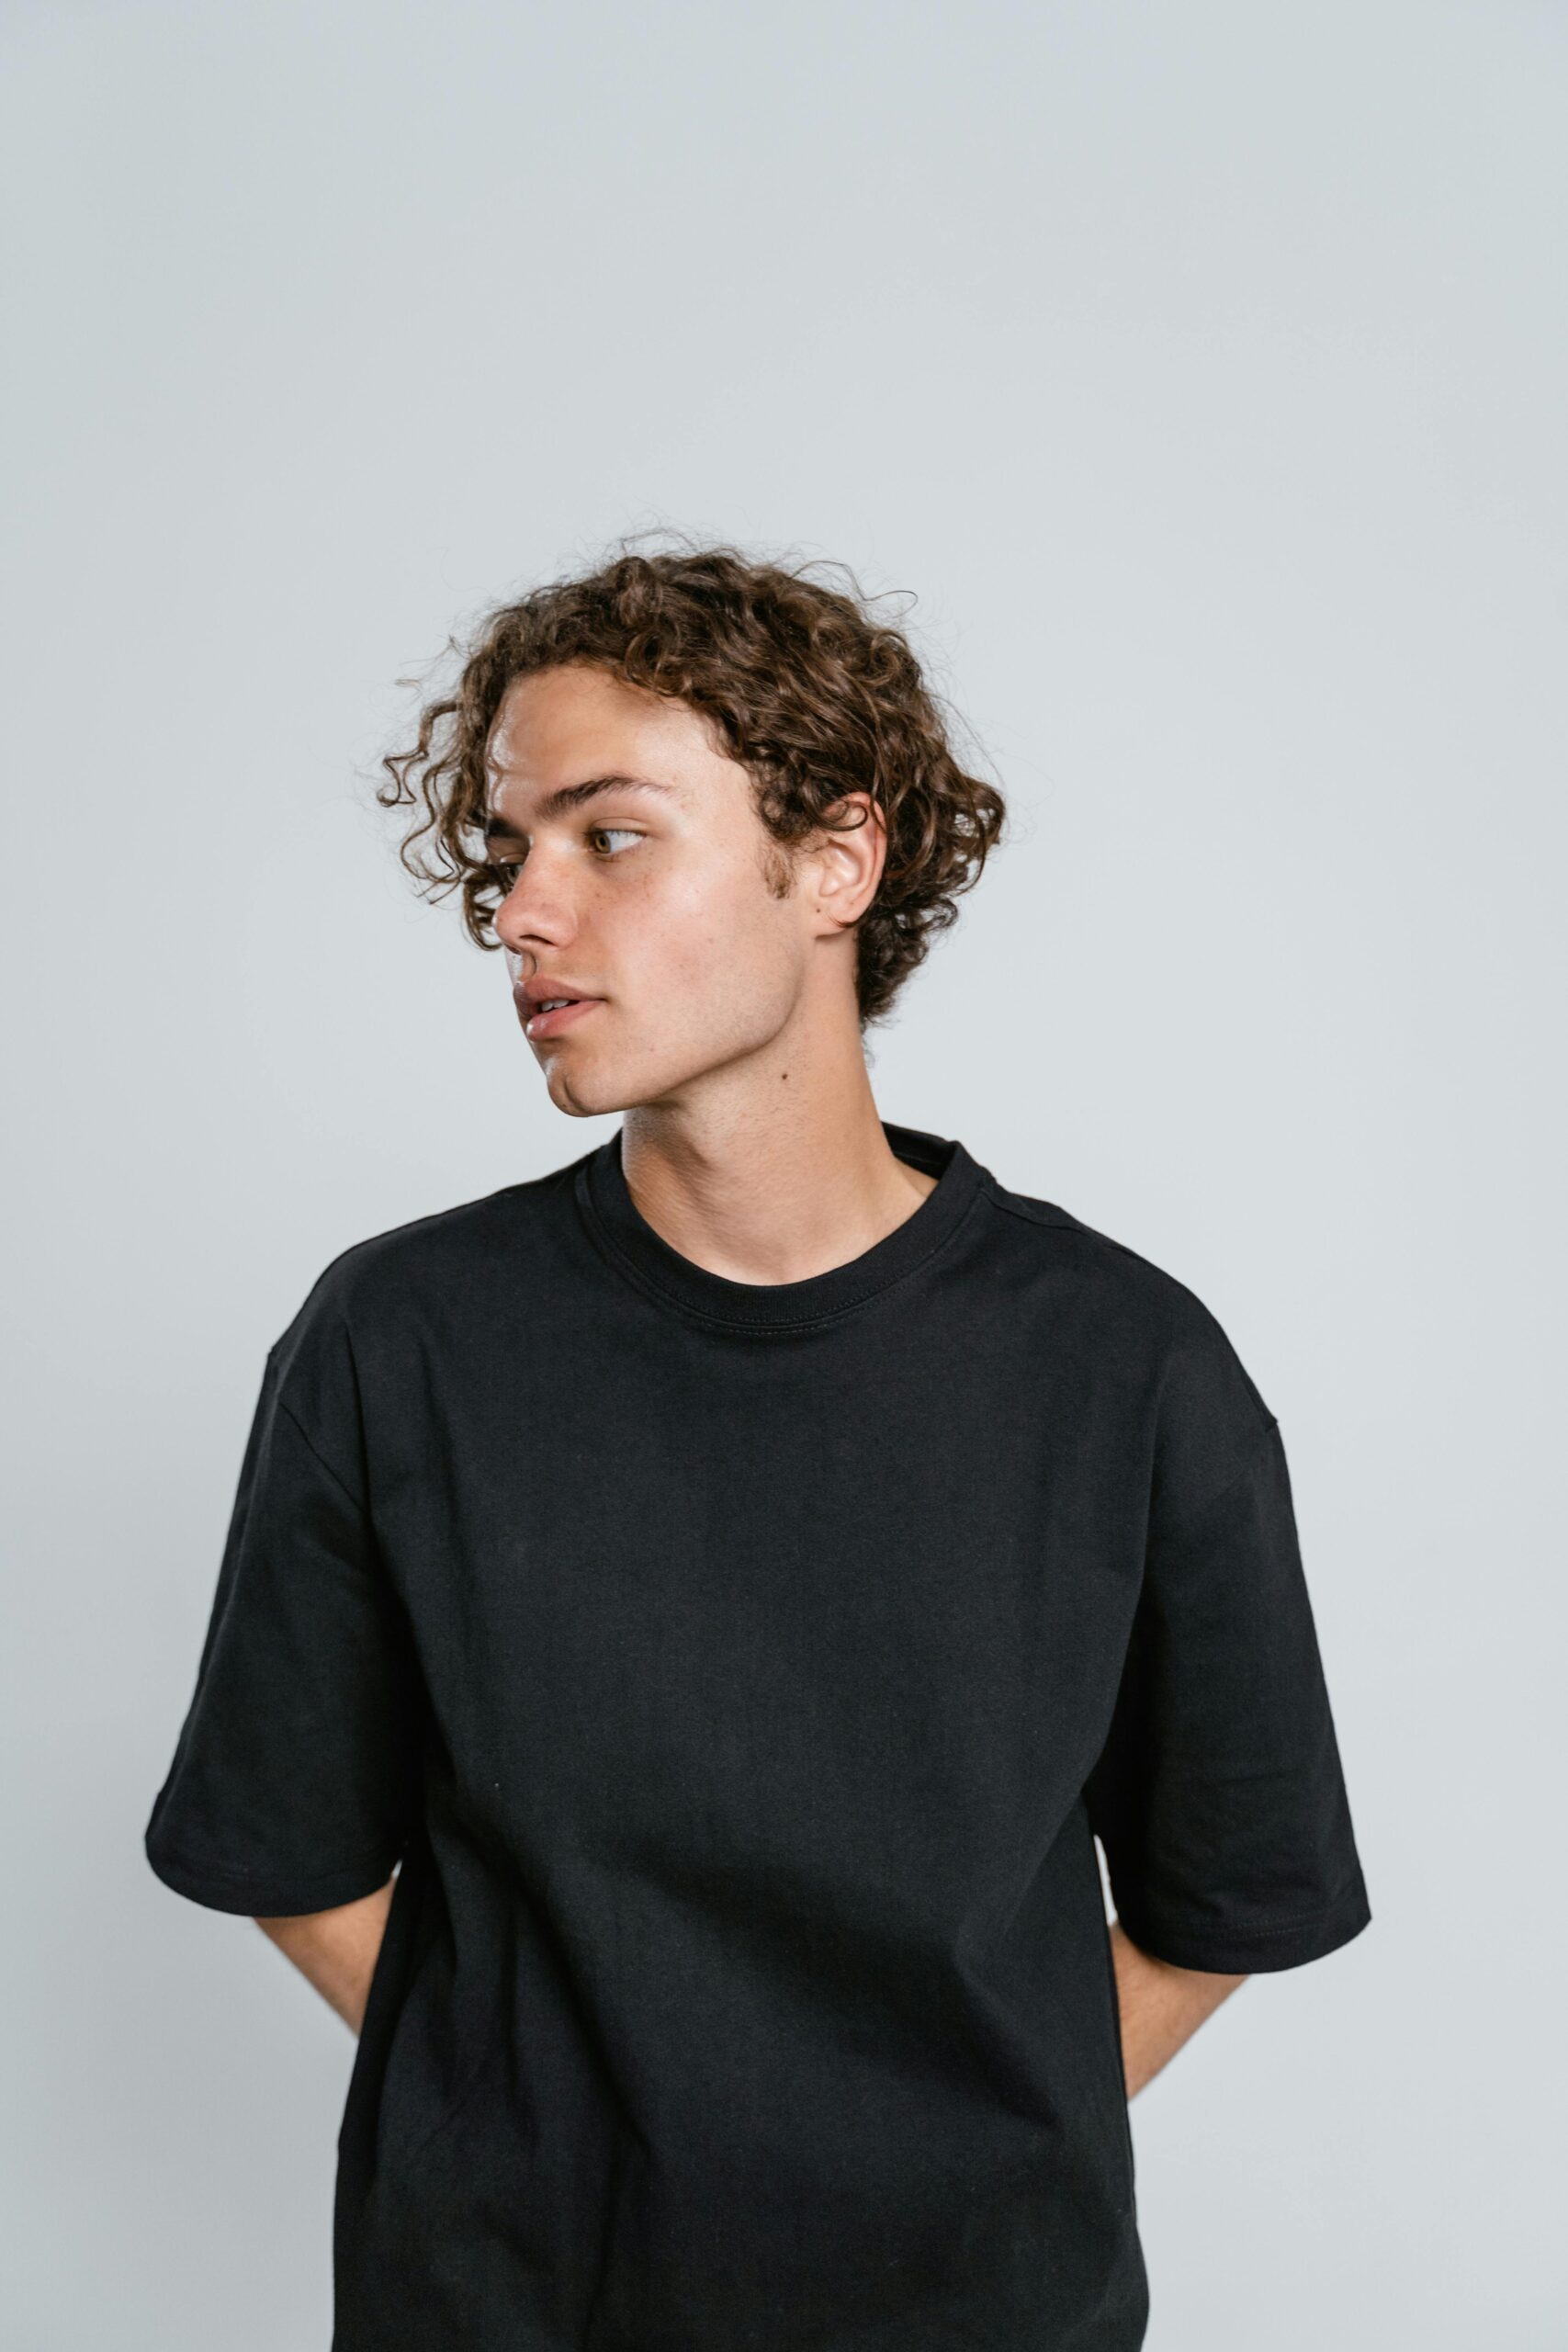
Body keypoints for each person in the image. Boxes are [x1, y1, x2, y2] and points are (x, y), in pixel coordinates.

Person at [144, 538, 1371, 2351]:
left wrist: (928, 2166)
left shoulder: (1124, 1365)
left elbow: (1230, 1888)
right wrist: (530, 2137)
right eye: (507, 852)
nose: (521, 911)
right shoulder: (398, 1338)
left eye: (608, 834)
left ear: (832, 861)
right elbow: (290, 1841)